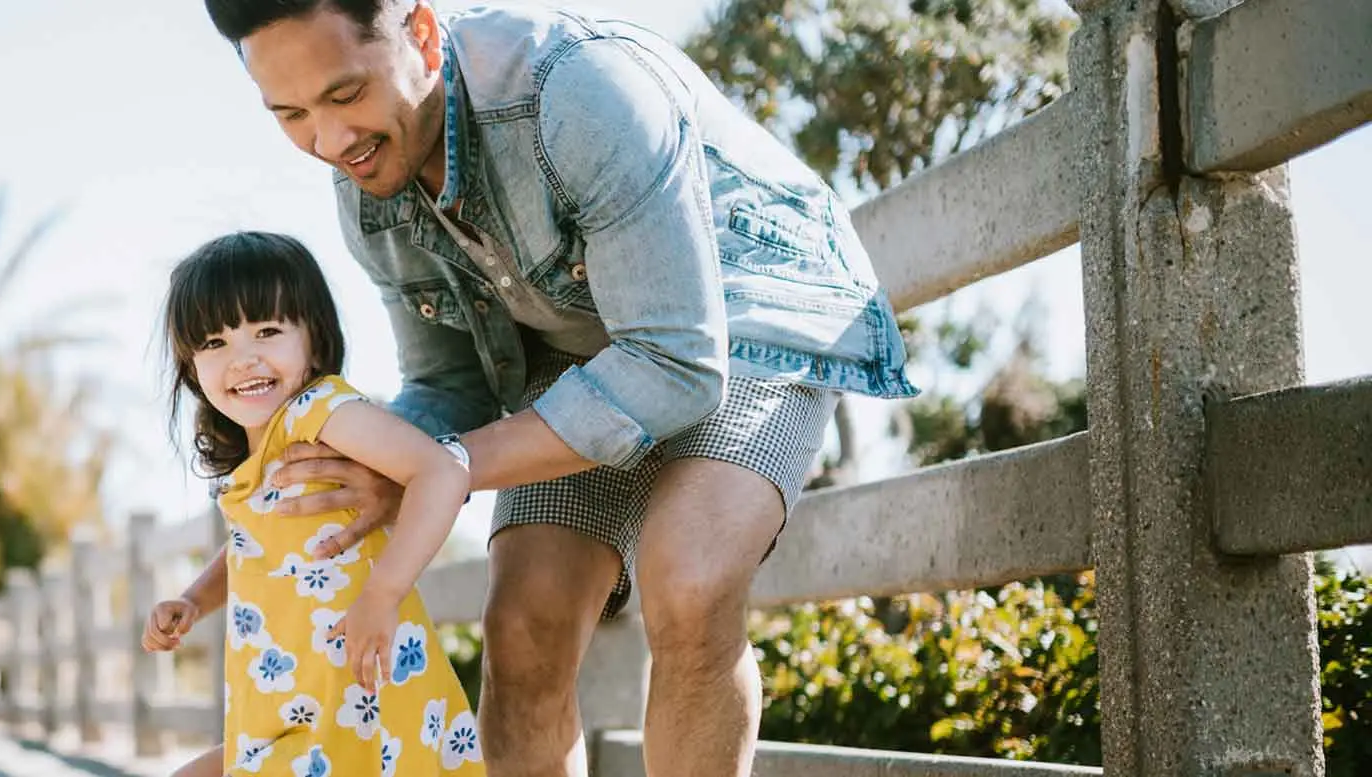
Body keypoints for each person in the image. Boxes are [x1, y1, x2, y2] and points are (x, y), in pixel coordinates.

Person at [199, 2, 919, 774]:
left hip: (744, 314)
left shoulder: (579, 90)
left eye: (346, 95)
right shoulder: (368, 187)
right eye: (291, 114)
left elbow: (674, 361)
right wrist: (386, 460)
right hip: (575, 346)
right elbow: (451, 378)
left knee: (690, 577)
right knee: (522, 627)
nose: (331, 141)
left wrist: (435, 463)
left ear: (421, 32)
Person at [143, 231, 484, 777]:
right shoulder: (257, 457)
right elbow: (256, 548)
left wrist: (384, 593)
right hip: (290, 705)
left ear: (315, 342)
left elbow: (439, 471)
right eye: (214, 342)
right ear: (191, 366)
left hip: (355, 699)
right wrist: (193, 598)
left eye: (268, 330)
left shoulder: (317, 411)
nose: (243, 358)